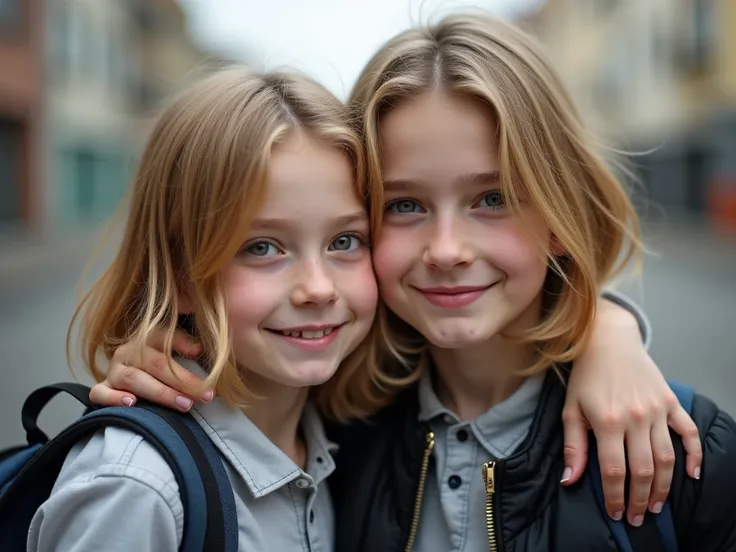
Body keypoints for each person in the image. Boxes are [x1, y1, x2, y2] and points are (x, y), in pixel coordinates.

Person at [87, 16, 724, 551]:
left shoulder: (682, 449)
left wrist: (609, 329)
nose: (447, 251)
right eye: (405, 206)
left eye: (493, 197)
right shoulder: (334, 420)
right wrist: (171, 348)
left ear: (561, 215)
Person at [28, 67, 378, 551]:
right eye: (262, 247)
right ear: (179, 274)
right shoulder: (134, 492)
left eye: (345, 240)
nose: (318, 288)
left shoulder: (349, 430)